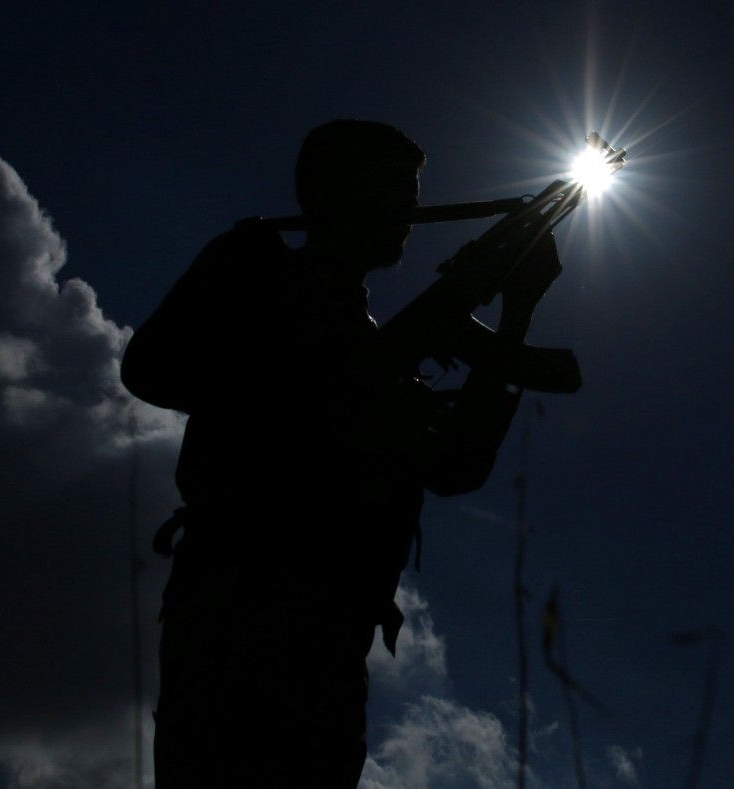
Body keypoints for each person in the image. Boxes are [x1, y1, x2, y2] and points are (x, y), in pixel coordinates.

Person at [120, 119, 560, 787]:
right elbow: (149, 369)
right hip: (242, 597)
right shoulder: (255, 267)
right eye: (396, 191)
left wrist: (517, 314)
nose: (411, 211)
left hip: (331, 631)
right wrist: (308, 387)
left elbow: (455, 466)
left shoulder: (376, 341)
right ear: (341, 192)